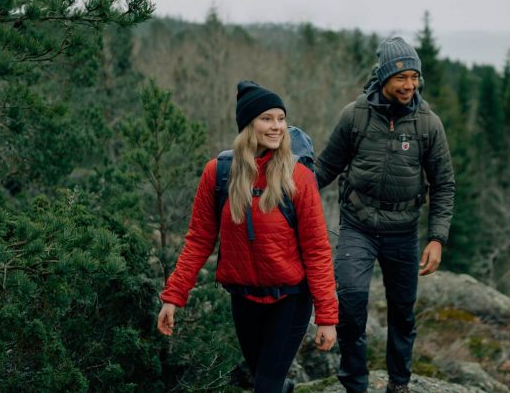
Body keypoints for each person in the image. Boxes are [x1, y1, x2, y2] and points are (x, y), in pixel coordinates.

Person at [158, 81, 338, 393]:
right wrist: (173, 297)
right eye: (267, 118)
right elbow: (199, 240)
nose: (277, 126)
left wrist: (327, 317)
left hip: (290, 298)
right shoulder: (218, 174)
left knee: (265, 387)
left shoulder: (298, 177)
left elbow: (317, 249)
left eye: (281, 118)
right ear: (247, 125)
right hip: (244, 299)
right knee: (266, 381)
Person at [315, 37, 455, 393]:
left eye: (414, 77)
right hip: (357, 226)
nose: (410, 85)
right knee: (350, 301)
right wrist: (286, 194)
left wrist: (437, 238)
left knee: (402, 312)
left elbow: (444, 185)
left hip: (403, 231)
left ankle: (399, 383)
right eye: (401, 78)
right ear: (383, 79)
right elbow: (325, 168)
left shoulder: (428, 125)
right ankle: (355, 384)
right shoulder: (355, 116)